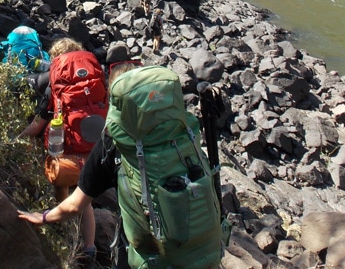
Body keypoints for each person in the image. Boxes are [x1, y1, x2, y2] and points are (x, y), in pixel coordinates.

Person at [19, 48, 223, 269]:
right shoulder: (184, 133)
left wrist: (43, 217)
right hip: (207, 250)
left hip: (154, 259)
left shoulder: (114, 144)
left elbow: (75, 205)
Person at [18, 38, 104, 267]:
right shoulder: (94, 78)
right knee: (86, 199)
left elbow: (38, 124)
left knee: (62, 186)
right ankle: (90, 248)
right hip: (95, 149)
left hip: (67, 152)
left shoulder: (56, 84)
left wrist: (16, 139)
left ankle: (64, 234)